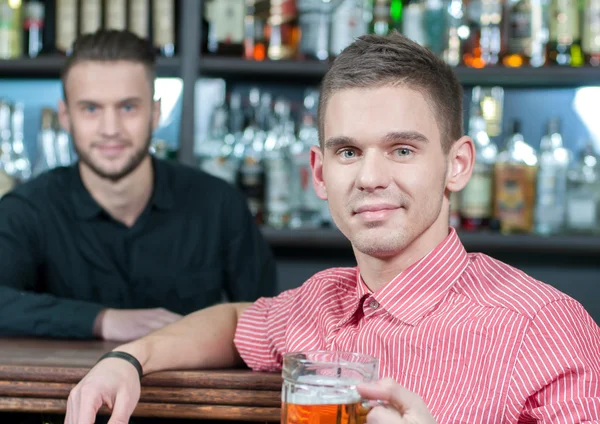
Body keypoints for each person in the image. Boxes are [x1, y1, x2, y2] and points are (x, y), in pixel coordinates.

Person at [64, 32, 600, 424]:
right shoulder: (317, 302)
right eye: (348, 151)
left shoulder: (544, 331)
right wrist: (129, 360)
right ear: (319, 173)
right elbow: (233, 321)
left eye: (402, 149)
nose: (370, 177)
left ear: (457, 165)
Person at [0, 29, 277, 342]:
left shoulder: (219, 204)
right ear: (66, 117)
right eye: (91, 109)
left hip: (194, 391)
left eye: (128, 107)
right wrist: (101, 320)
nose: (110, 129)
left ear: (155, 112)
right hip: (62, 390)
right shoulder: (26, 210)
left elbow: (269, 317)